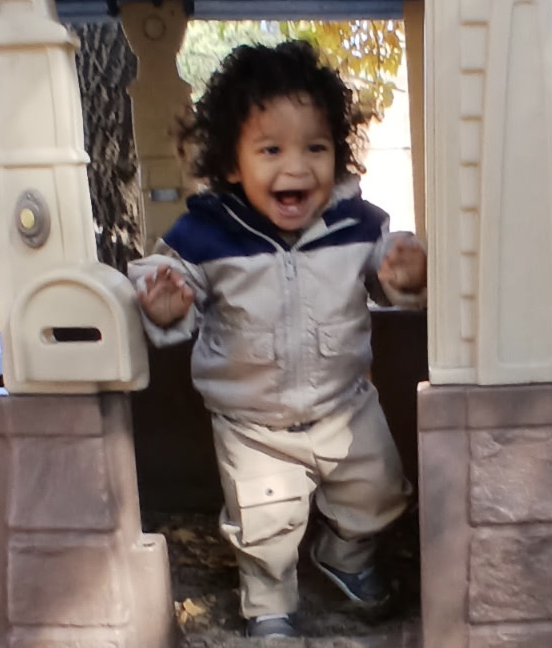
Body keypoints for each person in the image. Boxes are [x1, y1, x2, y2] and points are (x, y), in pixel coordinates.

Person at [127, 41, 424, 639]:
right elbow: (167, 279)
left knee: (381, 493)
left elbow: (389, 272)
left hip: (345, 408)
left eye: (315, 147)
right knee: (264, 522)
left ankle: (344, 556)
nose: (296, 167)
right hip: (251, 423)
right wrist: (164, 304)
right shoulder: (207, 233)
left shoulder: (355, 224)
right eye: (271, 150)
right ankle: (269, 608)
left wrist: (406, 275)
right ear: (233, 163)